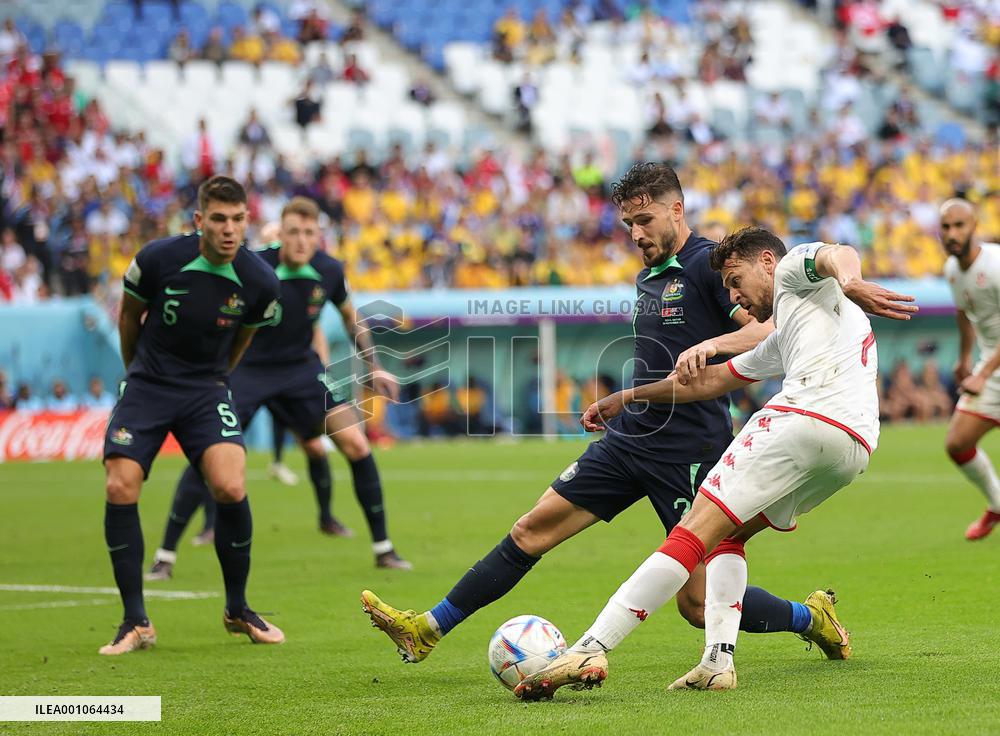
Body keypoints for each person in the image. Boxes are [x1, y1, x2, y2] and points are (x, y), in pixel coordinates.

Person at [361, 163, 841, 665]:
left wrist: (713, 343)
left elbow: (767, 332)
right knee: (531, 530)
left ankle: (810, 618)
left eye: (646, 220)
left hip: (690, 453)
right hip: (631, 439)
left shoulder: (708, 265)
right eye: (629, 224)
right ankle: (429, 628)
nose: (637, 234)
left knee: (698, 605)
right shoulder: (647, 277)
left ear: (677, 210)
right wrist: (623, 400)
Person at [514, 227, 917, 699]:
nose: (733, 295)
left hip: (806, 418)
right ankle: (717, 661)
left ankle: (589, 647)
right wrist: (630, 395)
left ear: (766, 262)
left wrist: (851, 282)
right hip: (853, 449)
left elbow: (836, 253)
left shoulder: (790, 273)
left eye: (734, 278)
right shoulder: (791, 330)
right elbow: (707, 383)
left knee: (692, 530)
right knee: (728, 534)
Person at [146, 196, 410, 582]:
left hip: (300, 371)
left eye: (308, 232)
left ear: (318, 235)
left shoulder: (329, 271)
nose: (301, 240)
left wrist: (375, 366)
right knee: (210, 455)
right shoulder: (255, 265)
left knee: (356, 443)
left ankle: (383, 549)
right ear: (279, 234)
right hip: (247, 369)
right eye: (293, 232)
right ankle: (164, 556)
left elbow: (353, 320)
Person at [99, 175, 282, 655]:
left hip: (205, 389)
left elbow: (241, 341)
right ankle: (135, 621)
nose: (228, 229)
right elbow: (127, 317)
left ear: (248, 221)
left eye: (238, 219)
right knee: (120, 484)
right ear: (199, 220)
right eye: (218, 219)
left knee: (231, 485)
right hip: (148, 385)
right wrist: (136, 373)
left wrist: (217, 379)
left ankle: (238, 608)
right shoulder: (158, 259)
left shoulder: (261, 281)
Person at [940, 199, 1000, 540]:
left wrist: (983, 373)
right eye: (946, 227)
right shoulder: (952, 268)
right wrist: (964, 360)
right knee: (957, 443)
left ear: (974, 225)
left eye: (959, 225)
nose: (953, 233)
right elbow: (964, 312)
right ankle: (997, 503)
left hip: (991, 369)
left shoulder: (995, 264)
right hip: (991, 368)